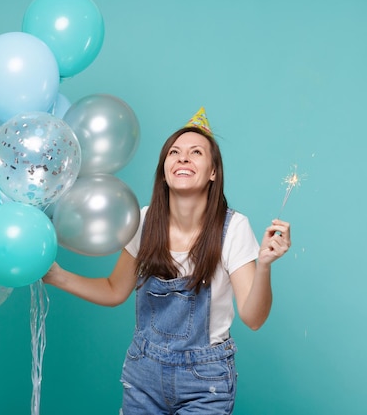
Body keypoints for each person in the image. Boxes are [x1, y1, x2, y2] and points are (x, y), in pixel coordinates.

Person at [43, 107, 292, 414]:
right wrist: (57, 276)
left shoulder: (233, 228)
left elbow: (254, 319)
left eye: (196, 152)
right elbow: (114, 289)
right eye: (174, 152)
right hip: (143, 374)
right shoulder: (143, 221)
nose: (183, 158)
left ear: (214, 172)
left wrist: (264, 265)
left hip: (205, 381)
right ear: (164, 169)